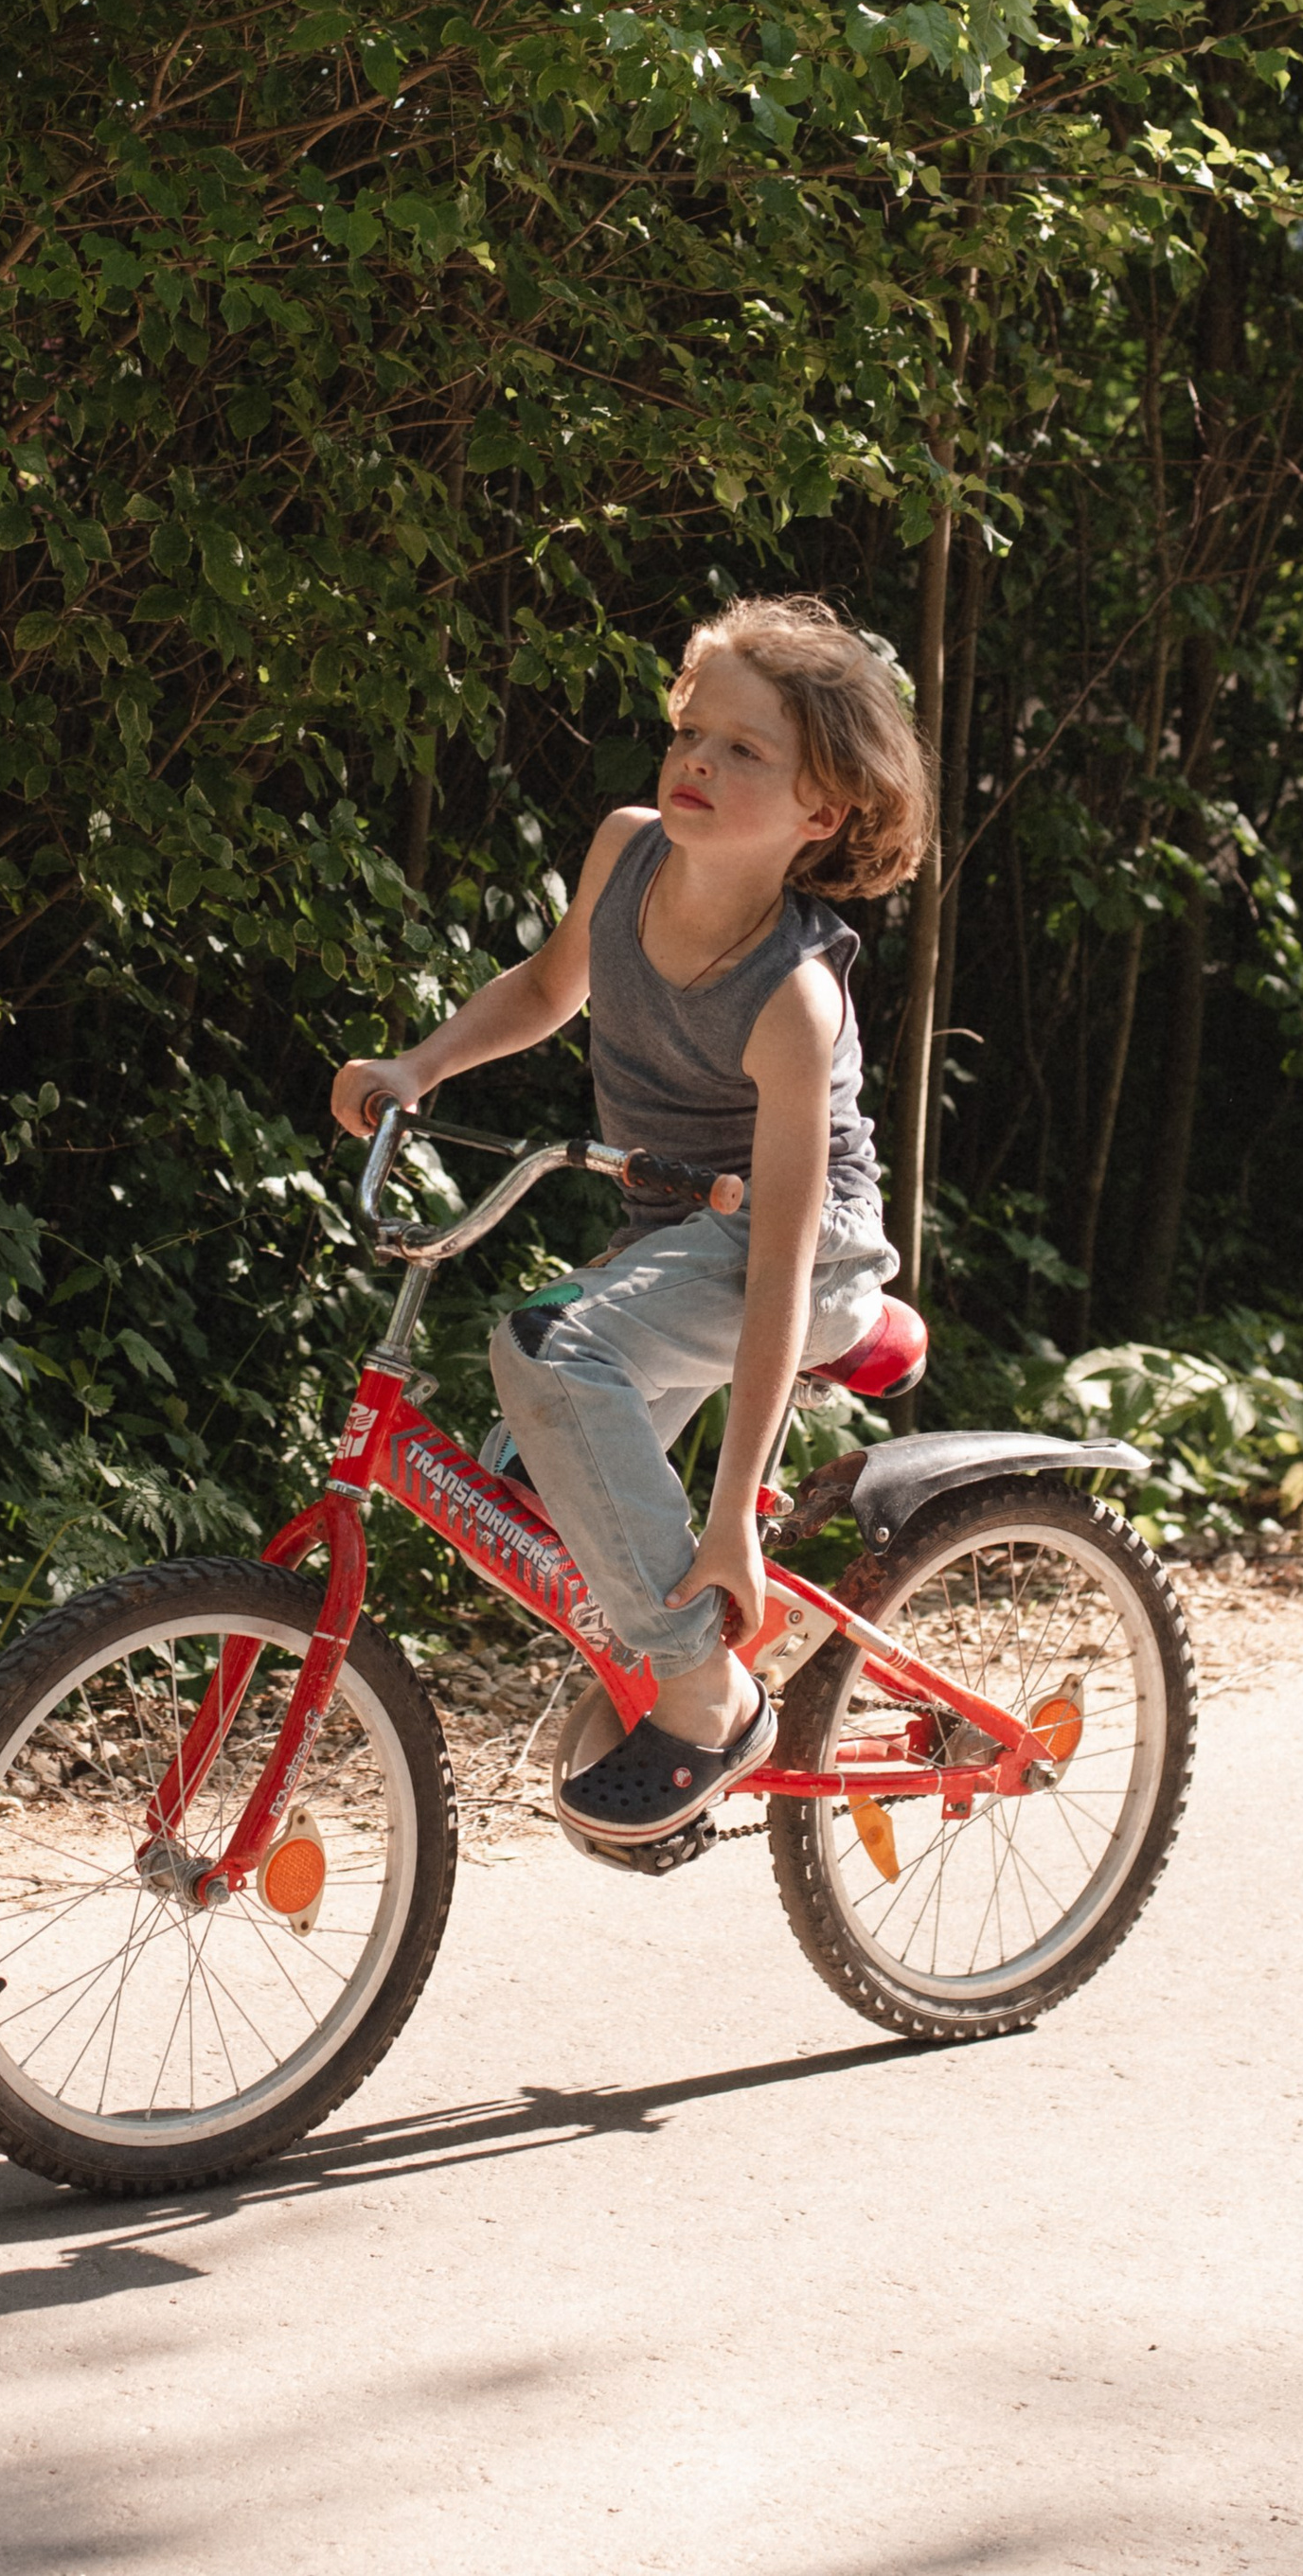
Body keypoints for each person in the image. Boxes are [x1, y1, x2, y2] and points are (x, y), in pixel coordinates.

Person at [331, 593, 935, 1845]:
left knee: (554, 1351)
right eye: (691, 734)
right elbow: (552, 985)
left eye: (746, 750)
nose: (699, 763)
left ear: (820, 813)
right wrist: (419, 1069)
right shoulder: (626, 850)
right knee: (526, 1490)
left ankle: (711, 1690)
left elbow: (773, 1272)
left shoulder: (794, 998)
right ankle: (671, 1703)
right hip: (673, 1232)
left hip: (804, 1255)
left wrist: (730, 1517)